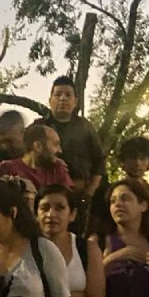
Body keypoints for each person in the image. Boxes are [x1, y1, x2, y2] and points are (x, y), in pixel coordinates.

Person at [33, 77, 105, 221]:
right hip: (45, 195)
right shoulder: (38, 127)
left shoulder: (85, 127)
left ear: (75, 101)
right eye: (58, 94)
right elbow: (25, 158)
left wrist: (89, 193)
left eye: (68, 95)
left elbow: (99, 163)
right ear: (50, 99)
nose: (63, 99)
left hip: (79, 195)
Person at [0, 123, 74, 193]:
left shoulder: (58, 168)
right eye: (55, 144)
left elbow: (67, 200)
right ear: (38, 146)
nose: (60, 150)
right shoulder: (8, 168)